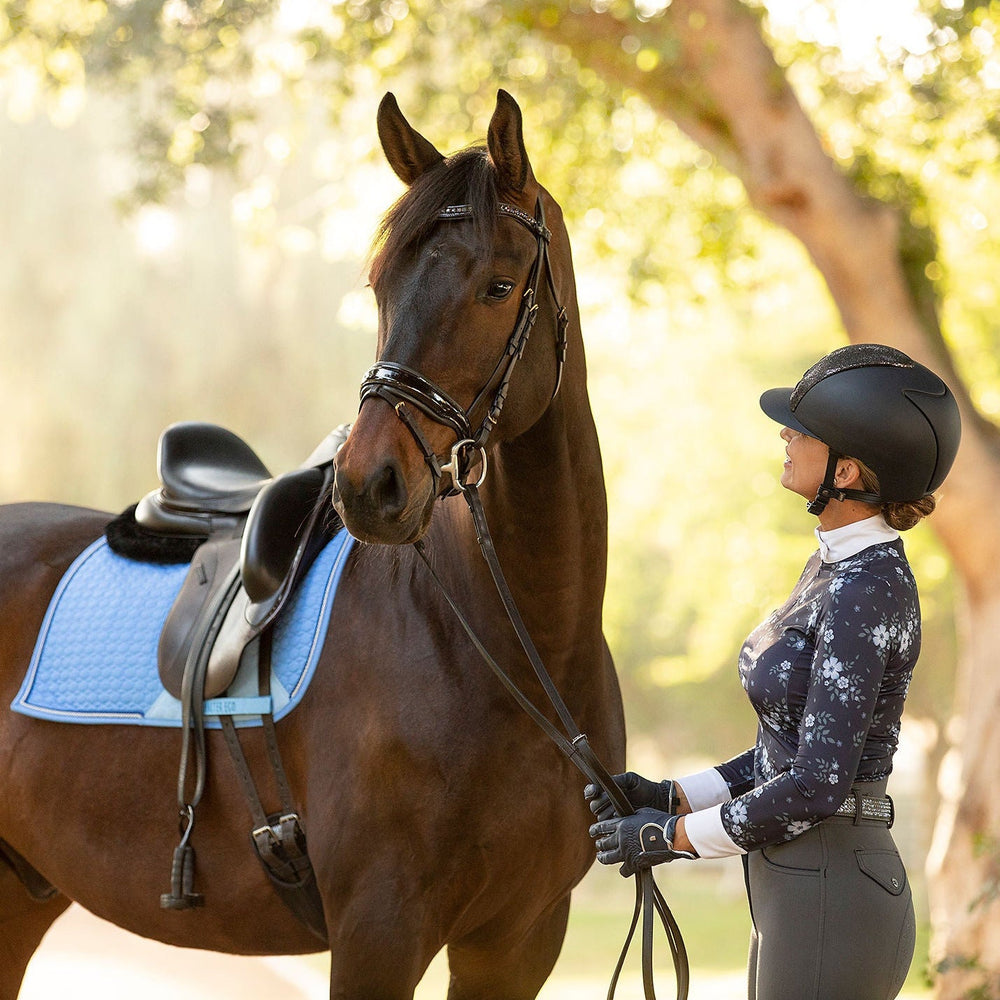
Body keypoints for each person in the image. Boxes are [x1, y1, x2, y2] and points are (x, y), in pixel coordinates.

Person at [587, 343, 962, 1000]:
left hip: (830, 887)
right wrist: (673, 796)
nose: (786, 436)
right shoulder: (836, 568)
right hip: (799, 881)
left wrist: (671, 837)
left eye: (803, 430)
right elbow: (787, 747)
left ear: (847, 470)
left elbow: (816, 784)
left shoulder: (866, 589)